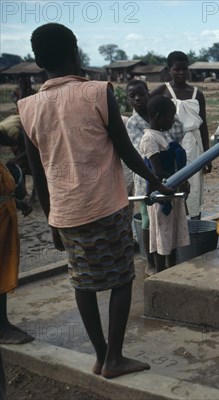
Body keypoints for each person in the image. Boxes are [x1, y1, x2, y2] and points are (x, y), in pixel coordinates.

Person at [18, 23, 173, 379]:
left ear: (39, 61)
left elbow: (37, 174)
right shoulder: (98, 92)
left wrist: (51, 219)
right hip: (106, 205)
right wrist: (157, 184)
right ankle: (115, 358)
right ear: (75, 53)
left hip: (66, 213)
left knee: (82, 282)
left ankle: (100, 355)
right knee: (121, 279)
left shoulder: (27, 107)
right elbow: (128, 153)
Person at [125, 80, 185, 275]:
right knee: (151, 226)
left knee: (168, 229)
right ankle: (154, 265)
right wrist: (179, 178)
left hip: (169, 185)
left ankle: (170, 266)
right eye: (132, 96)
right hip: (152, 185)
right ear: (159, 117)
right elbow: (152, 166)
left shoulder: (161, 130)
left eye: (141, 94)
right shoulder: (141, 130)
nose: (137, 99)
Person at [151, 51, 211, 219]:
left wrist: (208, 155)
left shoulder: (197, 94)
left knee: (194, 184)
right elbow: (148, 110)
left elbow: (204, 124)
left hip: (194, 144)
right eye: (177, 69)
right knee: (173, 180)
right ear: (169, 70)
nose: (181, 73)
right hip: (170, 144)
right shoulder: (163, 90)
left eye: (185, 69)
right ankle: (175, 221)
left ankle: (195, 222)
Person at [139, 96, 190, 271]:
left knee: (171, 236)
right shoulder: (149, 139)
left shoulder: (161, 135)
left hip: (170, 191)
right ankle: (161, 273)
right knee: (162, 237)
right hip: (160, 196)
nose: (173, 120)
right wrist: (181, 179)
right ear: (158, 116)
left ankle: (172, 270)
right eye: (170, 116)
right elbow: (157, 171)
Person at [1, 132, 33, 345]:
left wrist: (18, 203)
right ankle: (2, 329)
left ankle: (3, 322)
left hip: (5, 220)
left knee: (3, 270)